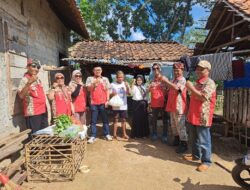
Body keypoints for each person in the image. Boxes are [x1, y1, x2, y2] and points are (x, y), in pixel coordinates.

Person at [184, 60, 216, 172]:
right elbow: (192, 97)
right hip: (193, 114)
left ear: (208, 70)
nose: (198, 71)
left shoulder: (210, 83)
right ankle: (195, 156)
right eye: (197, 68)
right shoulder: (198, 82)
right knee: (193, 138)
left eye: (201, 69)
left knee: (204, 140)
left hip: (203, 116)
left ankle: (206, 161)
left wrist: (190, 87)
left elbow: (203, 97)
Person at [162, 63, 188, 153]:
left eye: (178, 70)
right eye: (175, 70)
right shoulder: (174, 80)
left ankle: (184, 144)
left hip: (179, 106)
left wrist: (166, 81)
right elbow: (171, 89)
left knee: (180, 126)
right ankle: (177, 140)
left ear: (182, 70)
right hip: (172, 106)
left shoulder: (183, 80)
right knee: (173, 125)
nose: (176, 72)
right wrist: (165, 87)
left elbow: (178, 89)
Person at [18, 58, 48, 133]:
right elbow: (21, 96)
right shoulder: (24, 80)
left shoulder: (37, 79)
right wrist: (29, 82)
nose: (36, 69)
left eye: (38, 67)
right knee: (35, 135)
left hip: (43, 110)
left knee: (44, 133)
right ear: (28, 67)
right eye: (34, 66)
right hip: (33, 113)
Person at [86, 66, 112, 144]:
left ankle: (107, 134)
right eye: (96, 70)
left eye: (99, 70)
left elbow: (107, 90)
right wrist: (94, 83)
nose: (98, 71)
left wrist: (107, 100)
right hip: (93, 102)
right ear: (93, 71)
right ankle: (93, 136)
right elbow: (88, 89)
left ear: (101, 71)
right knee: (93, 120)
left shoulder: (105, 79)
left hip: (103, 102)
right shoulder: (90, 79)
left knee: (105, 119)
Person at [148, 63, 168, 143]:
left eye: (157, 68)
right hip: (154, 103)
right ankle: (154, 134)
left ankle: (165, 135)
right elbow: (149, 91)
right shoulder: (152, 80)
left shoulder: (164, 79)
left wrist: (164, 87)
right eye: (154, 69)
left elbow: (168, 90)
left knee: (165, 119)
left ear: (160, 69)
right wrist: (149, 88)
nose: (155, 70)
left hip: (163, 103)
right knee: (154, 119)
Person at [110, 71, 130, 139]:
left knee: (124, 120)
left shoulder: (126, 84)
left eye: (121, 77)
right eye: (118, 77)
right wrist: (113, 94)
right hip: (116, 105)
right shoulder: (112, 84)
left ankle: (124, 134)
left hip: (123, 105)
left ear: (123, 77)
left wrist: (127, 87)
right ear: (116, 77)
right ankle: (114, 135)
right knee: (115, 120)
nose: (120, 78)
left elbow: (129, 93)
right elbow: (109, 93)